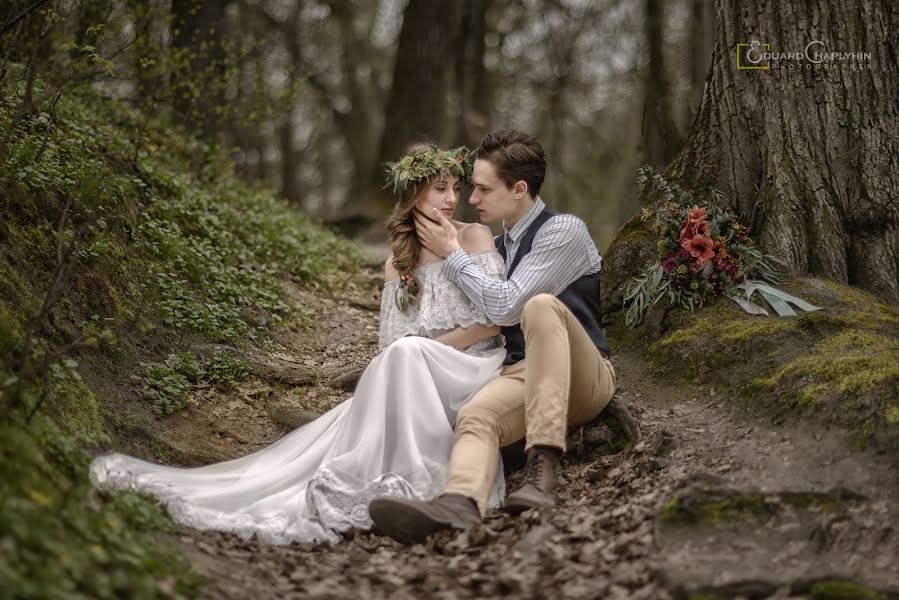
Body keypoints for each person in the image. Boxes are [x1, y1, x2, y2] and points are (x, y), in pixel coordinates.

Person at [89, 144, 510, 545]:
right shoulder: (396, 263)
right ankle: (371, 483)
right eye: (441, 188)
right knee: (397, 359)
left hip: (470, 367)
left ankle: (426, 483)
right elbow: (394, 342)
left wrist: (428, 340)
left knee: (404, 355)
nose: (452, 198)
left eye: (456, 187)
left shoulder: (474, 237)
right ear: (413, 192)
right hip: (414, 369)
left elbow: (491, 325)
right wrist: (417, 347)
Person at [369, 130, 617, 544]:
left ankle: (544, 466)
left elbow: (505, 309)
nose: (471, 199)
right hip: (522, 376)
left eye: (482, 189)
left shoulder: (563, 231)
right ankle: (460, 502)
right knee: (477, 415)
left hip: (584, 375)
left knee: (539, 306)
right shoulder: (496, 247)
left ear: (519, 189)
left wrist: (453, 255)